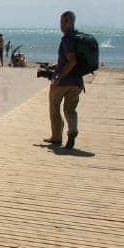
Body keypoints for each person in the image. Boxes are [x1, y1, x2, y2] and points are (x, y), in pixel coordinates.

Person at [46, 10, 83, 150]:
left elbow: (72, 61)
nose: (61, 25)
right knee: (70, 109)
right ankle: (72, 131)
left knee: (54, 107)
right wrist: (56, 65)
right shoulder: (79, 38)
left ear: (69, 22)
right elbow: (75, 61)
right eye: (61, 21)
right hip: (77, 82)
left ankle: (56, 137)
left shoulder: (67, 38)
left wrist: (59, 76)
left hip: (64, 82)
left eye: (63, 21)